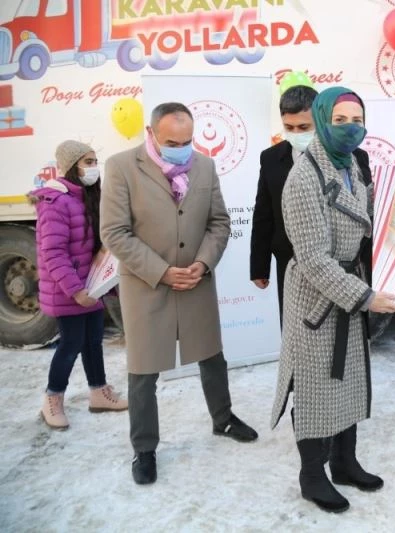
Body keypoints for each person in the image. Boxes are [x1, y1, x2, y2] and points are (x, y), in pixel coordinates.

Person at [100, 102, 258, 485]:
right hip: (146, 284)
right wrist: (162, 272)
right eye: (172, 142)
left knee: (211, 356)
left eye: (187, 141)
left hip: (194, 281)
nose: (181, 148)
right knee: (143, 371)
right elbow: (114, 232)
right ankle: (144, 448)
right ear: (151, 134)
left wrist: (202, 264)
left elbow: (218, 223)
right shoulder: (121, 166)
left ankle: (223, 419)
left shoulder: (204, 166)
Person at [269, 87, 395, 514]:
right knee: (315, 387)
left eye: (356, 119)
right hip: (317, 296)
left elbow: (372, 218)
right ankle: (312, 475)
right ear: (323, 121)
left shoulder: (351, 166)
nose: (349, 128)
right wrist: (365, 297)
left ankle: (344, 462)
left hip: (349, 281)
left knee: (348, 380)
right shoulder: (303, 177)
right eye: (339, 120)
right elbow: (311, 258)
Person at [250, 85, 372, 324]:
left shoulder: (356, 157)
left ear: (320, 120)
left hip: (343, 263)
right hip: (291, 260)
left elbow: (364, 211)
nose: (296, 133)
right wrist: (259, 267)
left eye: (304, 127)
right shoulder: (271, 158)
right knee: (299, 326)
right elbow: (263, 214)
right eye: (289, 127)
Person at [31, 140, 128, 430]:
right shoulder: (55, 202)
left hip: (92, 286)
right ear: (71, 166)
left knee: (93, 342)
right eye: (87, 162)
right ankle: (52, 399)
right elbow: (53, 253)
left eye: (95, 161)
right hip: (70, 290)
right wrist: (76, 291)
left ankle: (99, 392)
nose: (94, 168)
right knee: (71, 344)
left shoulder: (87, 196)